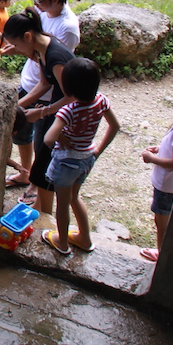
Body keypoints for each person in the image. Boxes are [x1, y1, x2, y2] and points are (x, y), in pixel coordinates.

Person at [8, 0, 80, 198]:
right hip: (38, 89)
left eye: (40, 1)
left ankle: (39, 187)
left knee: (44, 145)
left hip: (54, 102)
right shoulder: (42, 27)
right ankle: (31, 176)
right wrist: (18, 105)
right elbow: (43, 78)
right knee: (25, 134)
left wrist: (42, 112)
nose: (37, 6)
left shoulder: (64, 34)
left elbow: (67, 91)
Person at [41, 58, 119, 255]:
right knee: (75, 198)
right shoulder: (101, 101)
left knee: (63, 204)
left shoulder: (68, 111)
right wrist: (98, 150)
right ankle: (84, 238)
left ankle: (62, 242)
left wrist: (63, 138)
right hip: (87, 157)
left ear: (67, 87)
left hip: (67, 162)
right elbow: (115, 126)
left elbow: (48, 138)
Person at [2, 6, 76, 213]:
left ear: (28, 36)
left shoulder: (55, 56)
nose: (16, 49)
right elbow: (44, 85)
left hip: (65, 115)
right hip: (55, 110)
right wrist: (16, 106)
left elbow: (71, 97)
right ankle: (40, 208)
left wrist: (42, 112)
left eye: (16, 44)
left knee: (45, 163)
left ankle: (43, 213)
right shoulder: (43, 49)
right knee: (42, 160)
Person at [140, 80, 173, 263]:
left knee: (162, 221)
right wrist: (162, 147)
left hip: (168, 183)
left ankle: (162, 255)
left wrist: (151, 158)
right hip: (171, 183)